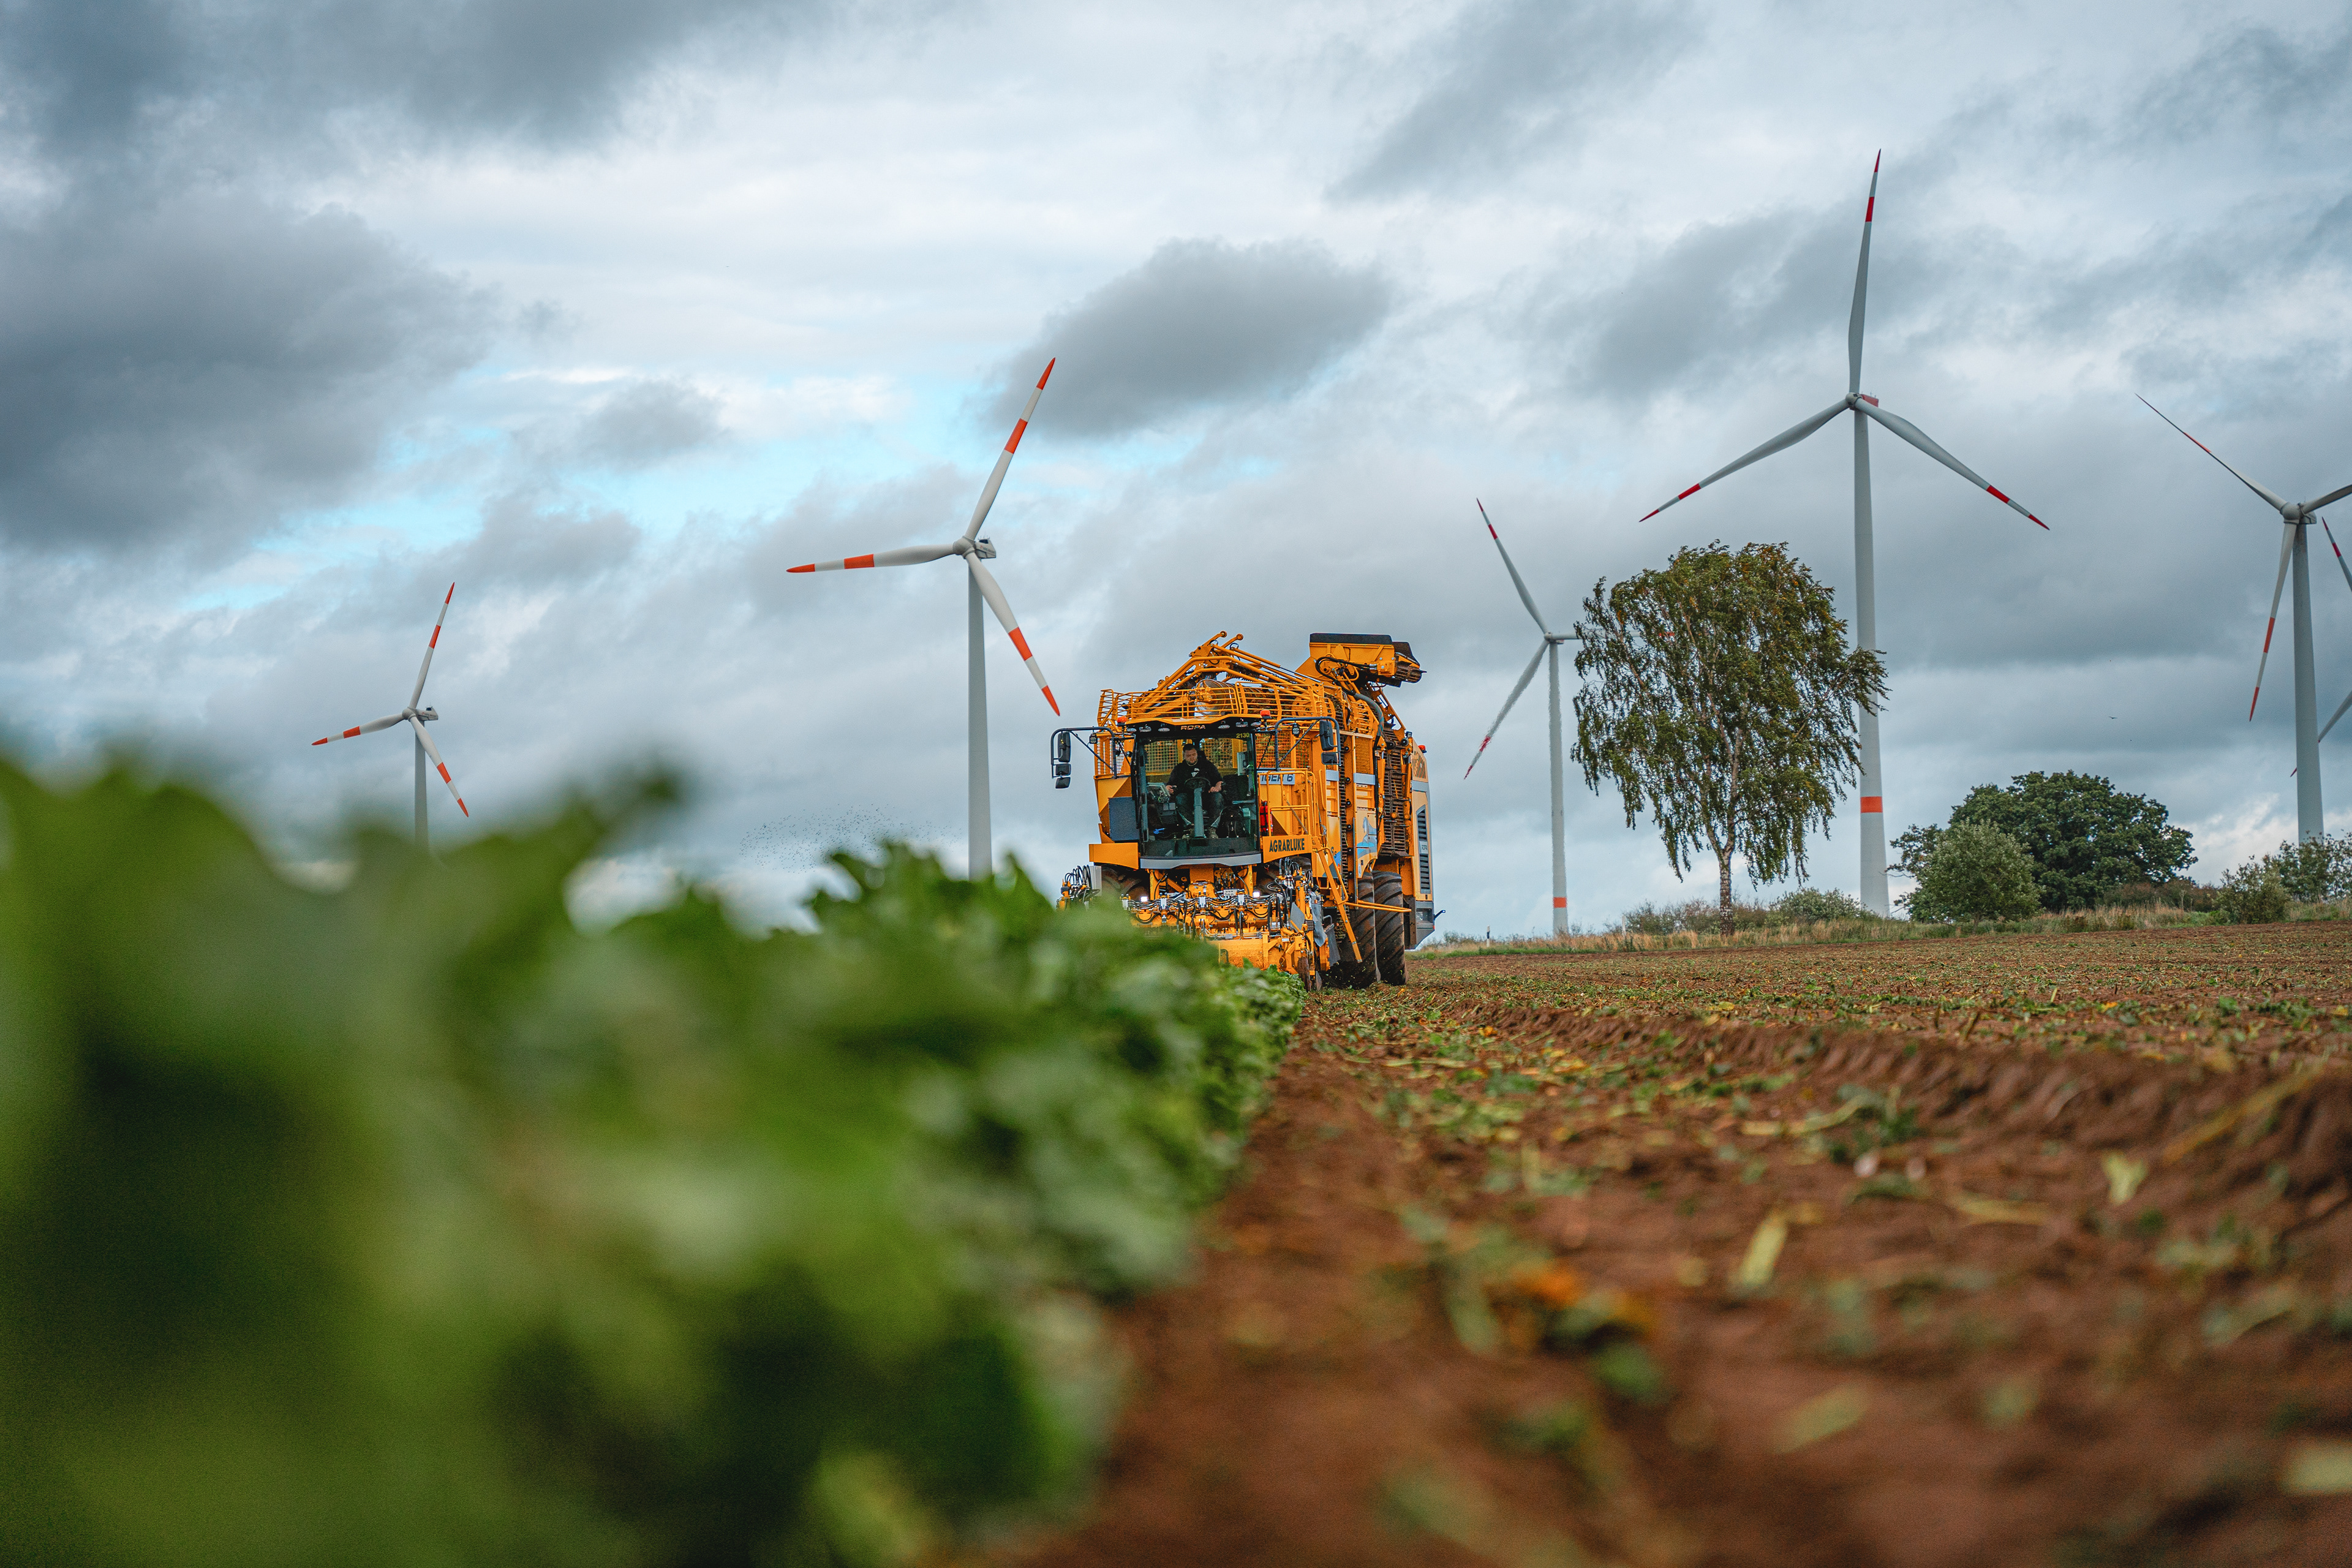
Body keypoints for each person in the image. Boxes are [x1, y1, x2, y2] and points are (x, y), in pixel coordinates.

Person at [1161, 739, 1224, 835]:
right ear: (1184, 756)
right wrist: (1168, 788)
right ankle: (1191, 826)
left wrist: (1217, 788)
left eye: (1193, 755)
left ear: (1197, 754)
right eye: (1189, 756)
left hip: (1206, 797)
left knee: (1218, 797)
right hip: (1188, 799)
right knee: (1180, 798)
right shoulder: (1179, 769)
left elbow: (1219, 781)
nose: (1192, 758)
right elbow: (1170, 784)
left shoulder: (1207, 765)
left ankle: (1212, 828)